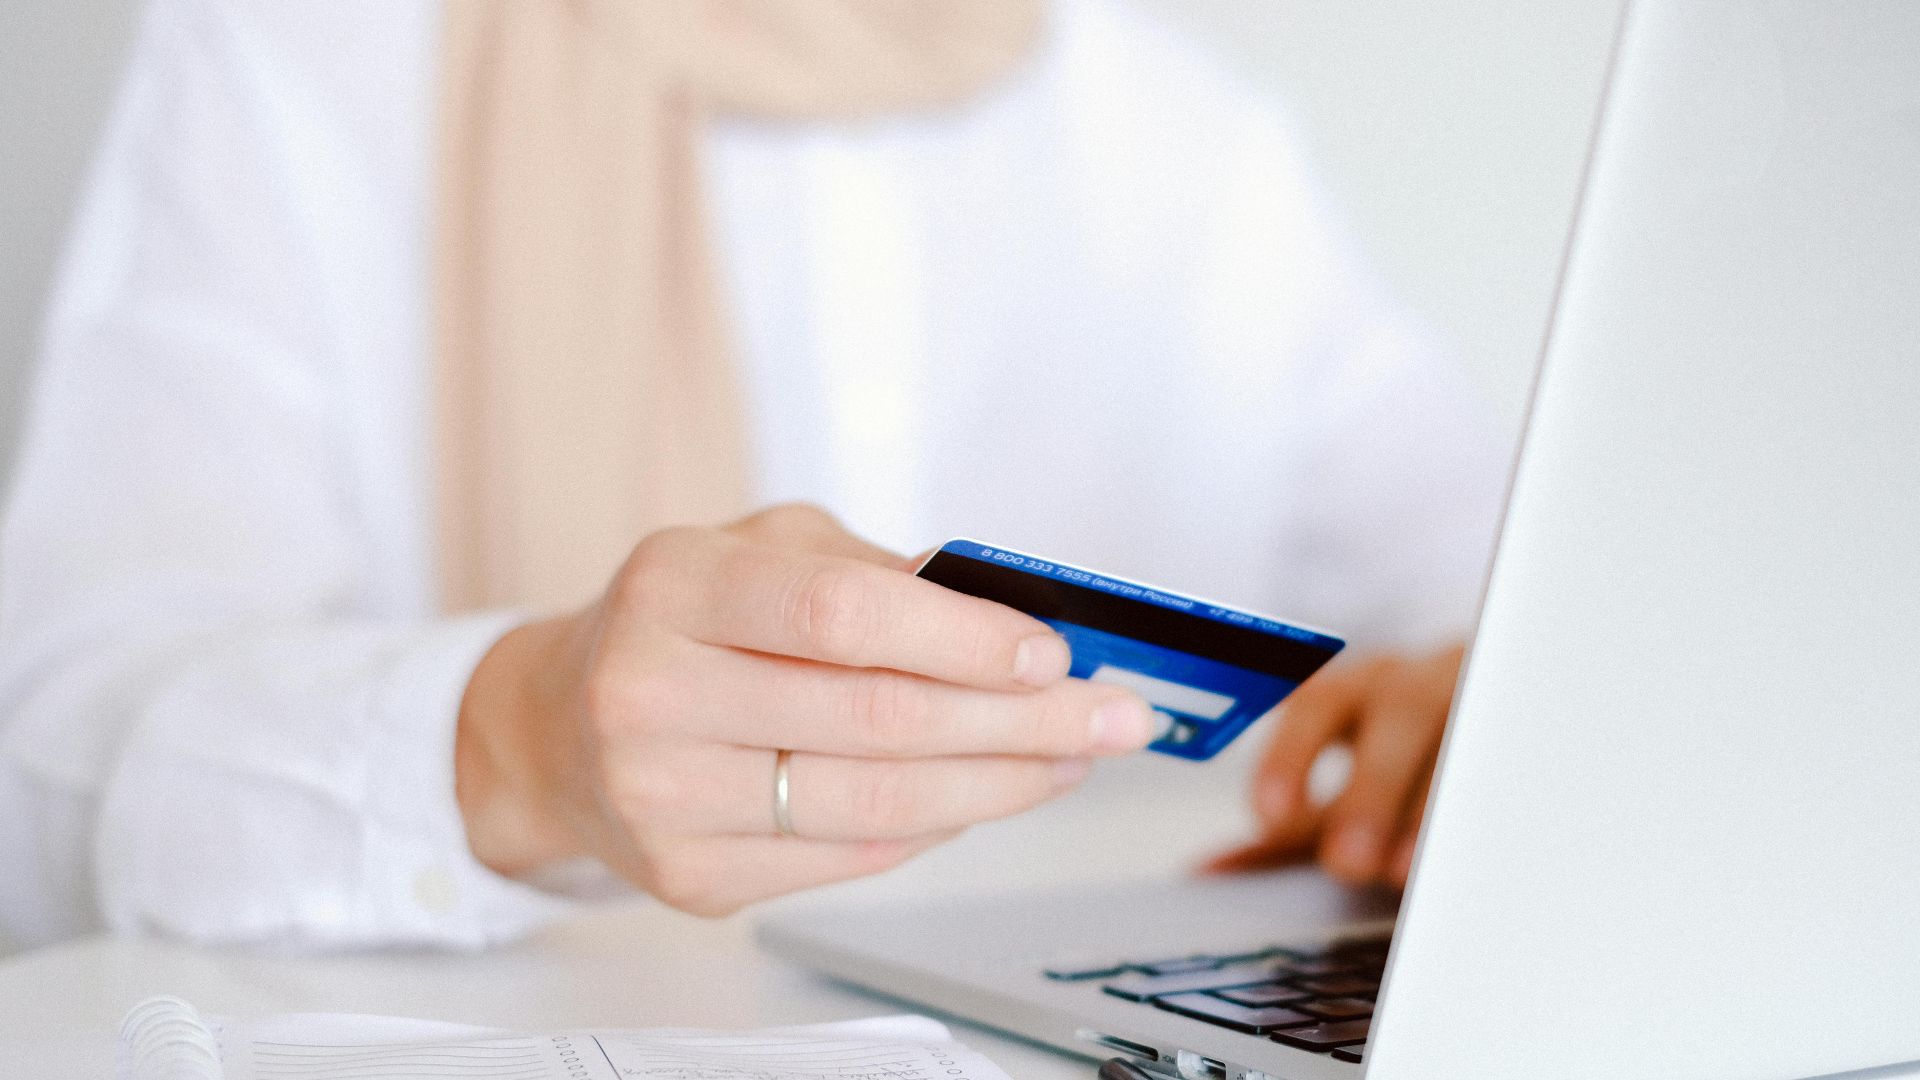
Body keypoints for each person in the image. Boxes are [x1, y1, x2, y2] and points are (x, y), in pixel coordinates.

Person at [0, 0, 1506, 952]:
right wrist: (511, 738)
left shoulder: (1189, 132)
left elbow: (1510, 580)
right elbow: (45, 784)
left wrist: (1491, 705)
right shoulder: (288, 57)